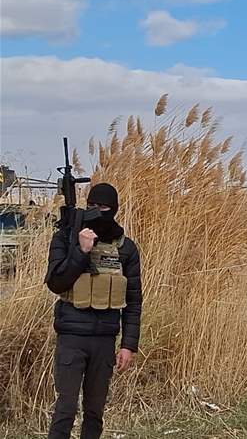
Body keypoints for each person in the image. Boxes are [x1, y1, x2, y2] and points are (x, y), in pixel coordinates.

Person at [44, 183, 143, 439]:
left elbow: (133, 301)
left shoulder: (126, 248)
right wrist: (81, 250)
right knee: (65, 409)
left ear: (114, 210)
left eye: (103, 207)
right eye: (91, 207)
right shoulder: (66, 238)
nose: (97, 212)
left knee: (94, 411)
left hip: (104, 339)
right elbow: (56, 283)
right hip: (71, 337)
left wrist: (128, 345)